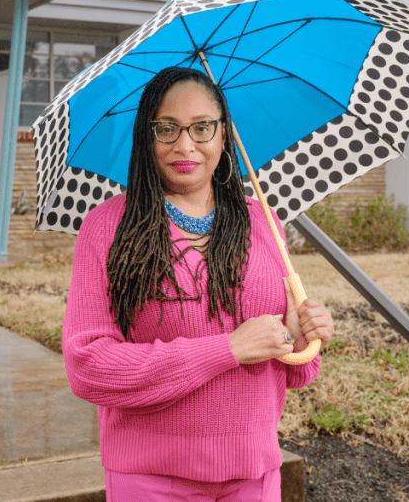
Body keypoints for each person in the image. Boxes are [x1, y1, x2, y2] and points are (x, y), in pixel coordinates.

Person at [63, 66, 335, 502]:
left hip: (255, 474)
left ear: (224, 135)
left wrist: (299, 339)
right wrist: (228, 349)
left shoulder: (262, 222)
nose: (185, 145)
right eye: (166, 128)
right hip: (151, 479)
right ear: (146, 136)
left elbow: (295, 372)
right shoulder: (108, 227)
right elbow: (88, 367)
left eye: (202, 127)